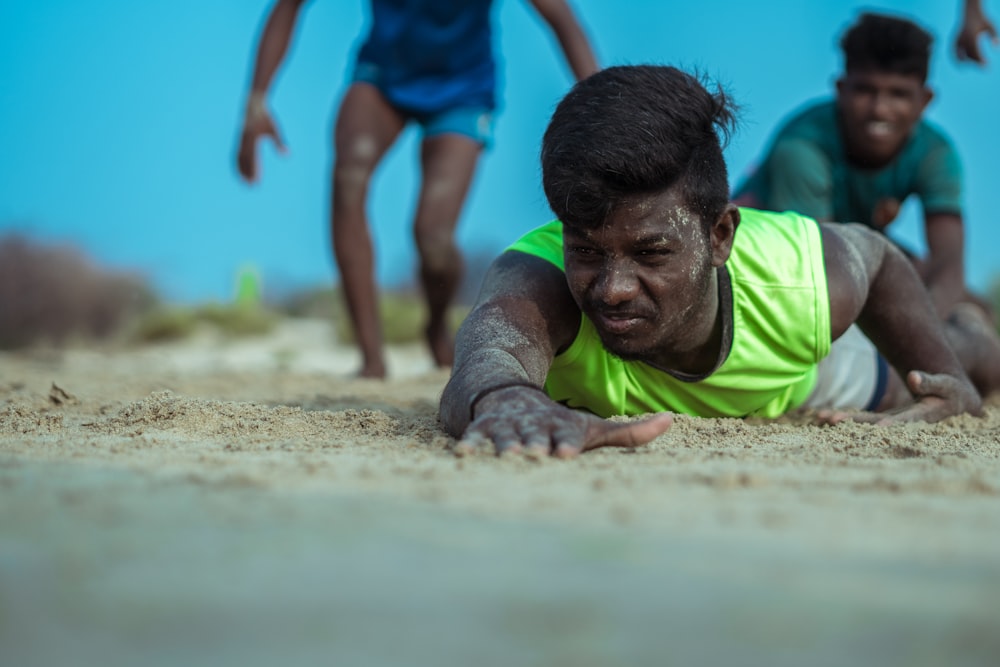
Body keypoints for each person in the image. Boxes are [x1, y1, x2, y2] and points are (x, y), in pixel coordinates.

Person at [438, 65, 1000, 459]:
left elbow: (876, 258)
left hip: (804, 378)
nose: (611, 289)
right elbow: (489, 352)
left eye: (650, 252)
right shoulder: (540, 277)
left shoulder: (798, 279)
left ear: (720, 235)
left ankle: (971, 335)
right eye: (586, 250)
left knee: (956, 364)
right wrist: (508, 399)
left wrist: (946, 379)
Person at [236, 0, 599, 378]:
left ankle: (436, 324)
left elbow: (561, 18)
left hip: (463, 91)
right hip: (383, 78)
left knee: (433, 237)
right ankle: (371, 358)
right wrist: (256, 102)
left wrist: (599, 107)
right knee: (349, 177)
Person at [732, 12, 973, 319]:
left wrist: (931, 333)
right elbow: (817, 265)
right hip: (767, 263)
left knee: (970, 308)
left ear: (924, 100)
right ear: (841, 89)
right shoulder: (802, 146)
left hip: (848, 249)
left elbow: (948, 268)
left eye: (898, 94)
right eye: (865, 91)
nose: (880, 110)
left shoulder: (934, 153)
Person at [955, 0, 998, 64]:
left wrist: (994, 37)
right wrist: (994, 37)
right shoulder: (966, 31)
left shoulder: (967, 31)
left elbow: (959, 43)